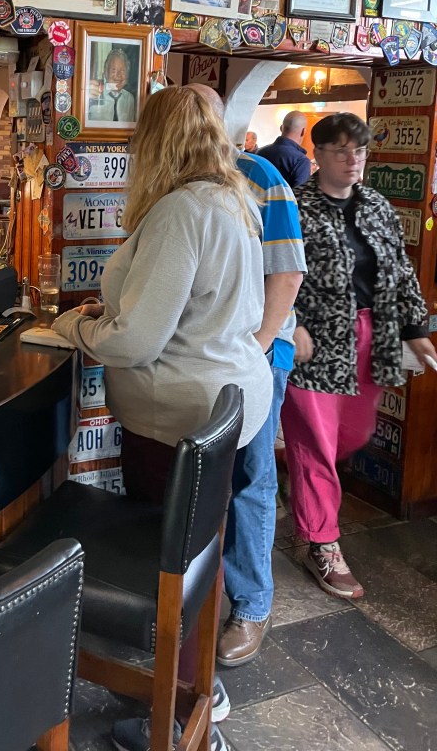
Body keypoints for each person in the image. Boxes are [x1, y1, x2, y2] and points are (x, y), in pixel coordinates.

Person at [52, 85, 272, 751]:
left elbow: (140, 341)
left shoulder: (180, 212)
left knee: (169, 565)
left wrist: (71, 328)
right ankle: (201, 690)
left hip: (172, 418)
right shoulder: (235, 200)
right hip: (228, 404)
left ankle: (176, 709)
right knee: (198, 555)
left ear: (153, 142)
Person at [282, 113, 436, 600]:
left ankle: (306, 494)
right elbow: (274, 272)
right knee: (315, 445)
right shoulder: (295, 207)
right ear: (318, 153)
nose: (353, 160)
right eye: (342, 150)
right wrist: (291, 325)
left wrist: (416, 330)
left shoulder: (377, 206)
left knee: (352, 435)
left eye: (361, 151)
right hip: (313, 341)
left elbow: (401, 271)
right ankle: (322, 543)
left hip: (370, 336)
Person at [188, 86, 305, 669]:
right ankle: (200, 599)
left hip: (257, 354)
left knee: (253, 476)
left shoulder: (260, 174)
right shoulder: (182, 180)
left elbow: (287, 275)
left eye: (202, 115)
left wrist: (252, 353)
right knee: (209, 475)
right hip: (207, 358)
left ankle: (252, 604)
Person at [257, 111, 312, 188]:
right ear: (303, 132)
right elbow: (299, 197)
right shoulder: (301, 161)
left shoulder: (260, 152)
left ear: (281, 128)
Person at [88, 49, 136, 123]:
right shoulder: (94, 93)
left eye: (122, 71)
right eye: (114, 71)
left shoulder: (130, 98)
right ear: (106, 72)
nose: (118, 75)